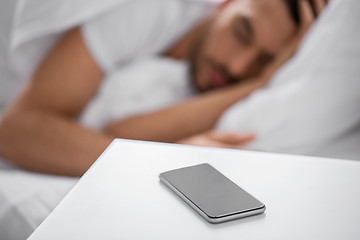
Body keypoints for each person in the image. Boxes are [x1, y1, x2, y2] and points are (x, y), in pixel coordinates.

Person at [0, 0, 325, 176]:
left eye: (264, 61)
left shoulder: (229, 86)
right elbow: (17, 131)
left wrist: (260, 84)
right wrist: (162, 166)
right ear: (226, 4)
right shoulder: (152, 8)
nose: (238, 67)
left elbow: (119, 131)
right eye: (242, 32)